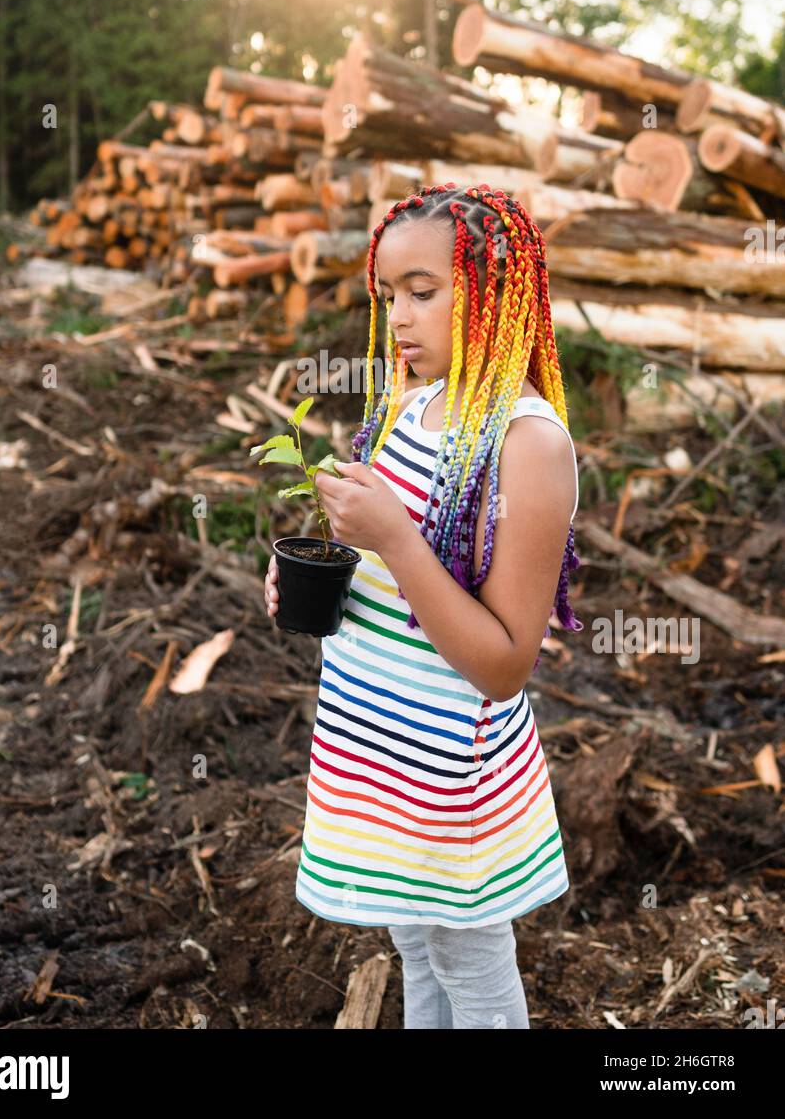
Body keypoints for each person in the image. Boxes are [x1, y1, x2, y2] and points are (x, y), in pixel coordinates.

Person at [263, 183, 582, 1029]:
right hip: (377, 747)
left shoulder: (526, 442)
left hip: (451, 771)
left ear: (494, 291)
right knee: (416, 948)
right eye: (387, 295)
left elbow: (505, 663)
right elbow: (390, 577)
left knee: (469, 961)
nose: (398, 318)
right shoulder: (415, 404)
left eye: (422, 291)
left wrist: (396, 542)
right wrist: (324, 578)